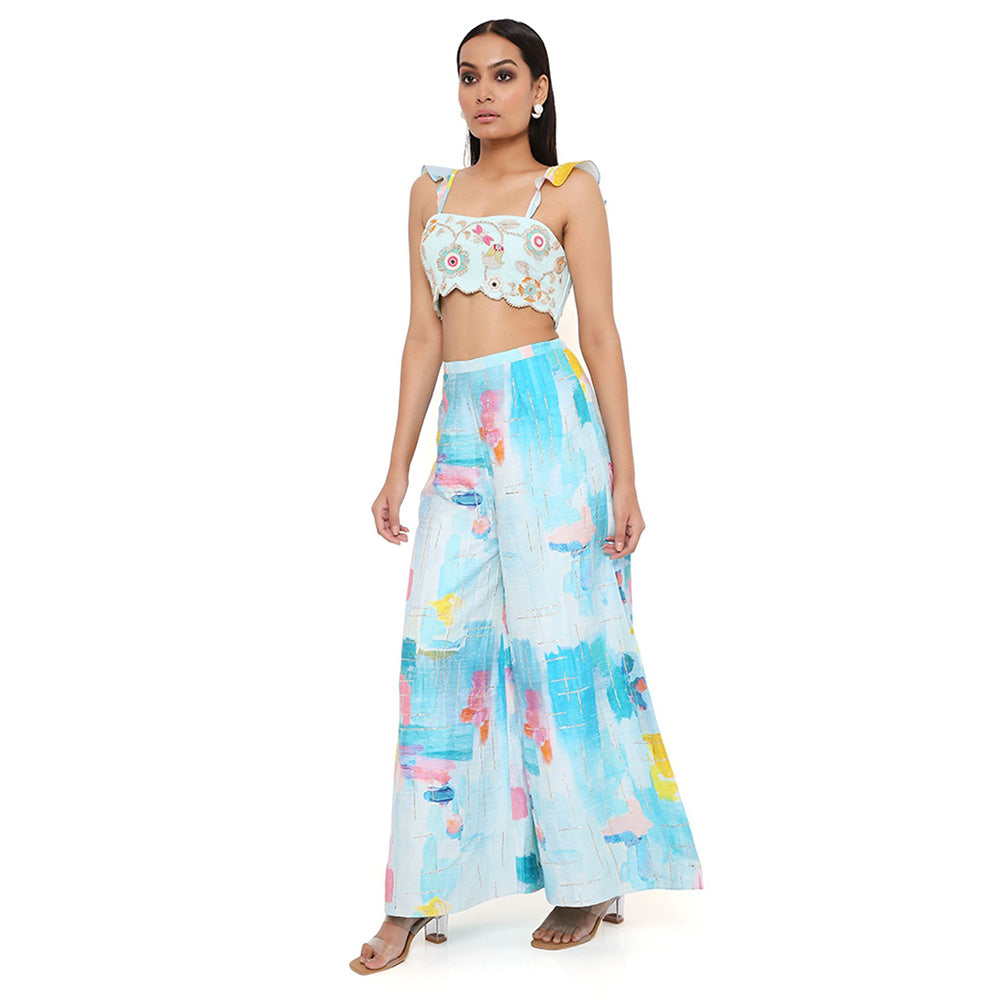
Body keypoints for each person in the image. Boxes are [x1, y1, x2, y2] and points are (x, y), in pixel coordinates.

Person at [351, 19, 703, 975]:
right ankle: (414, 893)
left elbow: (602, 333)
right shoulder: (429, 193)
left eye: (504, 76)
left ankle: (589, 876)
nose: (484, 93)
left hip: (549, 426)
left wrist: (627, 476)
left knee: (563, 652)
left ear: (540, 89)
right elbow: (422, 336)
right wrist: (396, 467)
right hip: (463, 435)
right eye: (469, 76)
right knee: (438, 654)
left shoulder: (569, 190)